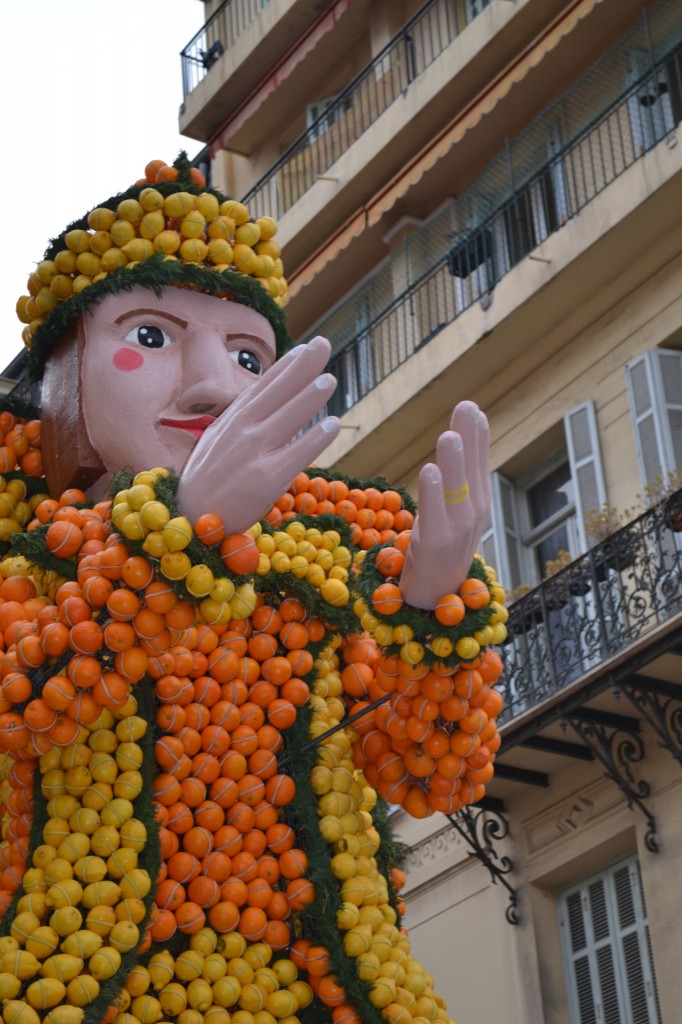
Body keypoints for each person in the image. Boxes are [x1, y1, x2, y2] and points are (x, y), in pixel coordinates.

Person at [0, 157, 506, 1024]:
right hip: (79, 986)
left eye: (248, 356)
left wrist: (430, 613)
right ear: (63, 381)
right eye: (152, 337)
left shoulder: (340, 559)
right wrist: (179, 537)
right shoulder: (28, 555)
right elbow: (26, 701)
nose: (212, 387)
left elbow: (438, 777)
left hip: (338, 992)